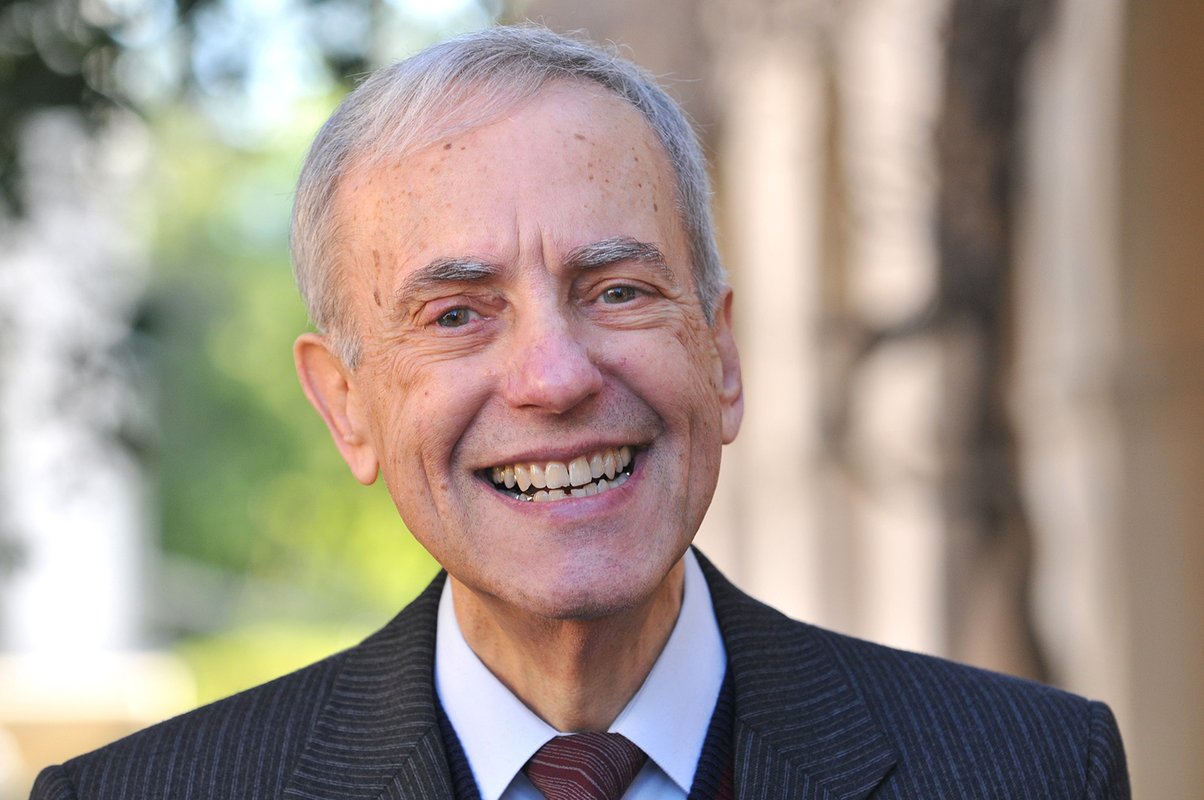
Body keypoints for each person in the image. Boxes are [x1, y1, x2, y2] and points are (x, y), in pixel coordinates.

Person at [31, 25, 1129, 800]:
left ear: (722, 354)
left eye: (617, 290)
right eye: (457, 313)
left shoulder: (1033, 768)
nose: (553, 376)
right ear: (346, 406)